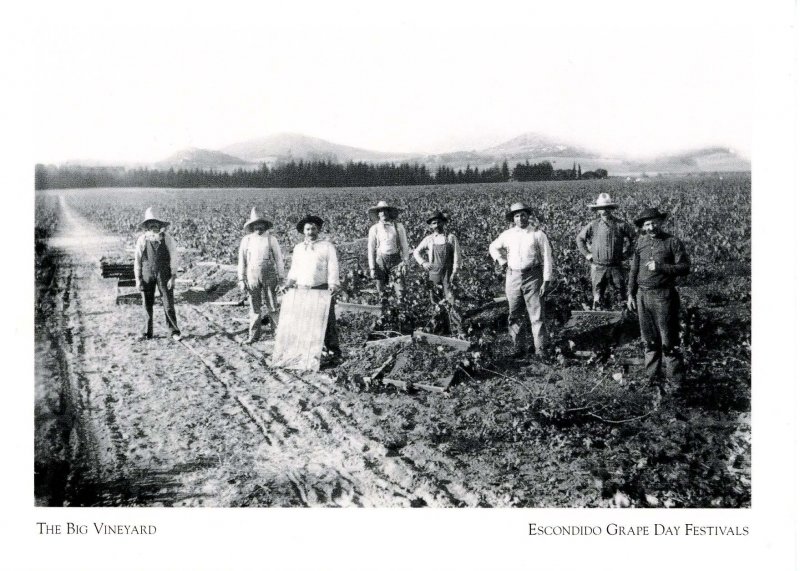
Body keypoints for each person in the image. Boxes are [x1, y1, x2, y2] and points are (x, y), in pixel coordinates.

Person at [626, 207, 691, 385]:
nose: (651, 227)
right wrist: (630, 294)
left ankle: (676, 383)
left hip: (663, 295)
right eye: (647, 224)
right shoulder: (641, 242)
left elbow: (685, 267)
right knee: (649, 340)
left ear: (660, 222)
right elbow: (634, 270)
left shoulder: (673, 242)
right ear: (643, 227)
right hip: (642, 295)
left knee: (668, 340)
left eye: (654, 222)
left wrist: (661, 267)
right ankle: (652, 379)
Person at [489, 202, 554, 359]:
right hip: (513, 277)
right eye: (517, 216)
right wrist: (502, 261)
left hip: (533, 276)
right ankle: (519, 348)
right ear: (513, 218)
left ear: (528, 216)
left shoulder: (538, 234)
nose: (520, 218)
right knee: (514, 313)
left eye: (523, 215)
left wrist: (546, 280)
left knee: (537, 315)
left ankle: (540, 350)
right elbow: (493, 247)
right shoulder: (508, 234)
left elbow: (547, 257)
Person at [282, 215, 341, 359]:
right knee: (307, 321)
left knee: (327, 320)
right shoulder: (298, 248)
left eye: (313, 228)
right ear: (303, 231)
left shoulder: (327, 246)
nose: (311, 232)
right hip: (303, 289)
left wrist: (333, 284)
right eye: (307, 229)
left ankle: (333, 350)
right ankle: (312, 352)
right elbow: (294, 269)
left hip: (322, 288)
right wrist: (289, 284)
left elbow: (333, 267)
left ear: (318, 229)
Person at [576, 193, 637, 310]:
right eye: (601, 208)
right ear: (598, 210)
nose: (604, 211)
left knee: (620, 293)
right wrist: (587, 254)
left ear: (611, 209)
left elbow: (634, 238)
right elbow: (580, 238)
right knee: (598, 295)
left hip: (616, 266)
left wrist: (628, 253)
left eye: (607, 208)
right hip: (598, 266)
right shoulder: (593, 225)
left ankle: (622, 317)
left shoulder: (620, 224)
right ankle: (600, 315)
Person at [237, 207, 286, 345]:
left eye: (261, 225)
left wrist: (281, 278)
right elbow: (242, 260)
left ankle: (277, 335)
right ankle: (253, 335)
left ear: (265, 225)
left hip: (269, 274)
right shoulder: (246, 240)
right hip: (252, 275)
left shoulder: (271, 239)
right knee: (254, 307)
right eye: (255, 225)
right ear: (252, 226)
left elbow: (279, 259)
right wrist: (241, 279)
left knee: (272, 306)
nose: (259, 227)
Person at [133, 207, 182, 341]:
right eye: (150, 223)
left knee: (168, 303)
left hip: (164, 274)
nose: (153, 226)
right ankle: (147, 332)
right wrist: (138, 279)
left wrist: (173, 276)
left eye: (156, 223)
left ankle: (174, 331)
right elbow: (137, 260)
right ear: (147, 226)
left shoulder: (167, 239)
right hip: (147, 274)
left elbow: (174, 258)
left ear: (160, 225)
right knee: (147, 304)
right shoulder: (142, 240)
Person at [413, 211, 462, 334]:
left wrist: (455, 271)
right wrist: (423, 263)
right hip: (434, 273)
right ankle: (439, 326)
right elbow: (416, 252)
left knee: (451, 298)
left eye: (438, 222)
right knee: (435, 299)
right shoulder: (429, 239)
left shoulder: (451, 237)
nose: (436, 225)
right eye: (433, 223)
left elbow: (457, 255)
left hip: (448, 273)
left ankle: (456, 328)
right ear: (430, 226)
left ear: (443, 222)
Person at [367, 200, 409, 300]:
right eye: (380, 211)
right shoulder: (374, 228)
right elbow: (371, 249)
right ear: (378, 214)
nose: (383, 213)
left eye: (386, 210)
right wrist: (372, 268)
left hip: (396, 262)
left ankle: (402, 311)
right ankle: (385, 311)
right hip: (380, 262)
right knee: (381, 292)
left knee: (401, 291)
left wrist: (405, 263)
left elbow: (404, 245)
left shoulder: (398, 226)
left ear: (389, 212)